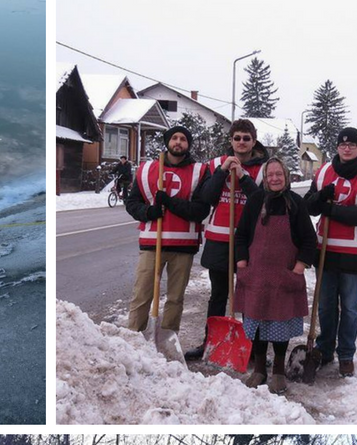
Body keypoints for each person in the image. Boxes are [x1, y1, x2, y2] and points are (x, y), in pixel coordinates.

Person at [303, 127, 357, 378]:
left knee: (350, 308)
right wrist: (321, 197)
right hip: (325, 252)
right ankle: (325, 349)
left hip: (355, 253)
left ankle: (346, 355)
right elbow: (308, 206)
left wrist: (331, 210)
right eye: (343, 144)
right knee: (326, 306)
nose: (347, 148)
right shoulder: (324, 172)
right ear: (337, 148)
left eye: (352, 144)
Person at [233, 157, 319, 393]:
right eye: (270, 174)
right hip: (256, 277)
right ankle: (260, 369)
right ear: (264, 177)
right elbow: (241, 236)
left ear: (286, 176)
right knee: (258, 326)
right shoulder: (255, 201)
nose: (274, 178)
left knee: (279, 327)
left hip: (284, 278)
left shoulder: (296, 204)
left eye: (278, 174)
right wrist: (242, 263)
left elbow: (309, 240)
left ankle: (278, 372)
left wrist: (299, 267)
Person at [187, 119, 270, 360]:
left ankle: (252, 348)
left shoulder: (264, 169)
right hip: (219, 239)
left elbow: (263, 203)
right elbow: (207, 197)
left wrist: (243, 177)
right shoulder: (215, 164)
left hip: (250, 242)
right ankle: (210, 342)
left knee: (249, 297)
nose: (241, 142)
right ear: (230, 141)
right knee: (218, 295)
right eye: (237, 138)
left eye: (246, 138)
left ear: (254, 141)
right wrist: (223, 172)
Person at [124, 126, 211, 336]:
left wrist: (170, 202)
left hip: (184, 247)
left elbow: (201, 210)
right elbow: (132, 203)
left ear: (188, 144)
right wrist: (149, 212)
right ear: (167, 142)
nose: (178, 142)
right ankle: (133, 338)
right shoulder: (147, 170)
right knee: (141, 295)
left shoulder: (199, 172)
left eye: (183, 139)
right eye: (174, 138)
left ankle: (168, 339)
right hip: (152, 244)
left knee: (175, 298)